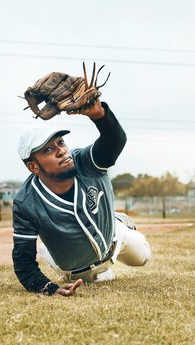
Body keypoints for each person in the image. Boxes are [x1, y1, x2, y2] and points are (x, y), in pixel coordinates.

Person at [12, 99, 151, 296]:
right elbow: (23, 262)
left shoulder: (86, 162)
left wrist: (99, 115)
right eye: (48, 150)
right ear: (33, 167)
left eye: (60, 142)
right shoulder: (26, 203)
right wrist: (50, 289)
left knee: (143, 257)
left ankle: (117, 220)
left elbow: (114, 140)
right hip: (78, 267)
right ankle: (49, 251)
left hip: (115, 237)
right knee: (101, 278)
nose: (61, 151)